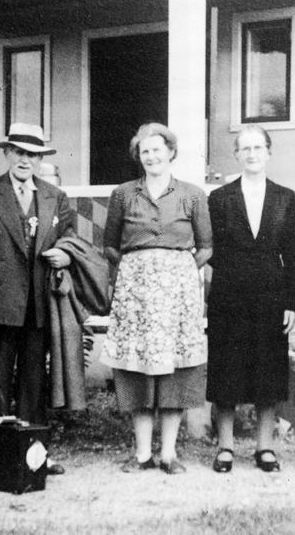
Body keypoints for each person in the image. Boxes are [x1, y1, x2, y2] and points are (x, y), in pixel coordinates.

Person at [0, 123, 75, 475]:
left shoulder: (55, 196)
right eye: (19, 152)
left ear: (41, 160)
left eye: (33, 155)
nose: (26, 160)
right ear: (7, 154)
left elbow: (70, 241)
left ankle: (35, 457)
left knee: (34, 383)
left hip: (38, 306)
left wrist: (65, 254)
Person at [99, 123, 212, 475]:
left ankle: (168, 455)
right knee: (139, 371)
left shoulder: (192, 195)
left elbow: (206, 247)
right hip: (136, 295)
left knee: (175, 371)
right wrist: (138, 271)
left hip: (178, 296)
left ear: (171, 152)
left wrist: (176, 271)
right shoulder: (123, 194)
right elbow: (110, 245)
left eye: (157, 150)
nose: (151, 156)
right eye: (144, 151)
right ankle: (142, 454)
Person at [206, 125, 295, 473]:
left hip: (271, 296)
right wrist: (238, 270)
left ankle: (265, 447)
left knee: (268, 370)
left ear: (269, 153)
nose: (252, 154)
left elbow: (293, 252)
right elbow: (212, 247)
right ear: (236, 155)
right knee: (226, 368)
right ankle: (226, 447)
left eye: (258, 147)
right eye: (245, 148)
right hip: (229, 294)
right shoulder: (220, 198)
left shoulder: (285, 197)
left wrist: (291, 302)